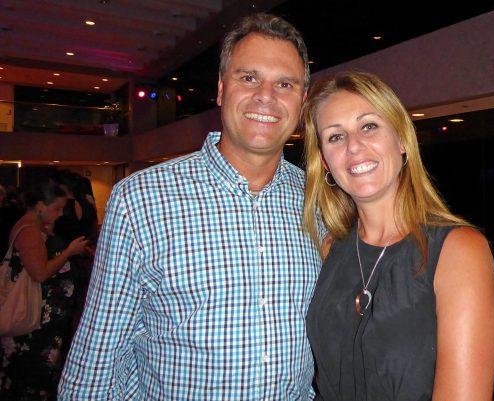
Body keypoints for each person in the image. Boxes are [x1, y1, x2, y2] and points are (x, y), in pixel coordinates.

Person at [59, 13, 321, 400]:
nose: (266, 96)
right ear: (220, 89)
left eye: (285, 83)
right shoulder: (141, 200)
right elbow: (98, 356)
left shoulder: (317, 201)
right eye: (248, 78)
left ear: (301, 101)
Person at [302, 71, 494, 401]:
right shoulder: (329, 247)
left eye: (369, 126)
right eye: (335, 137)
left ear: (402, 140)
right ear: (325, 162)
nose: (354, 146)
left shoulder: (458, 250)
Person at [0, 180, 88, 401]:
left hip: (38, 319)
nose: (59, 215)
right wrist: (68, 252)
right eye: (56, 209)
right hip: (33, 323)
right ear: (40, 206)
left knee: (31, 374)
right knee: (30, 375)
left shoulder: (34, 227)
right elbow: (40, 273)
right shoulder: (29, 231)